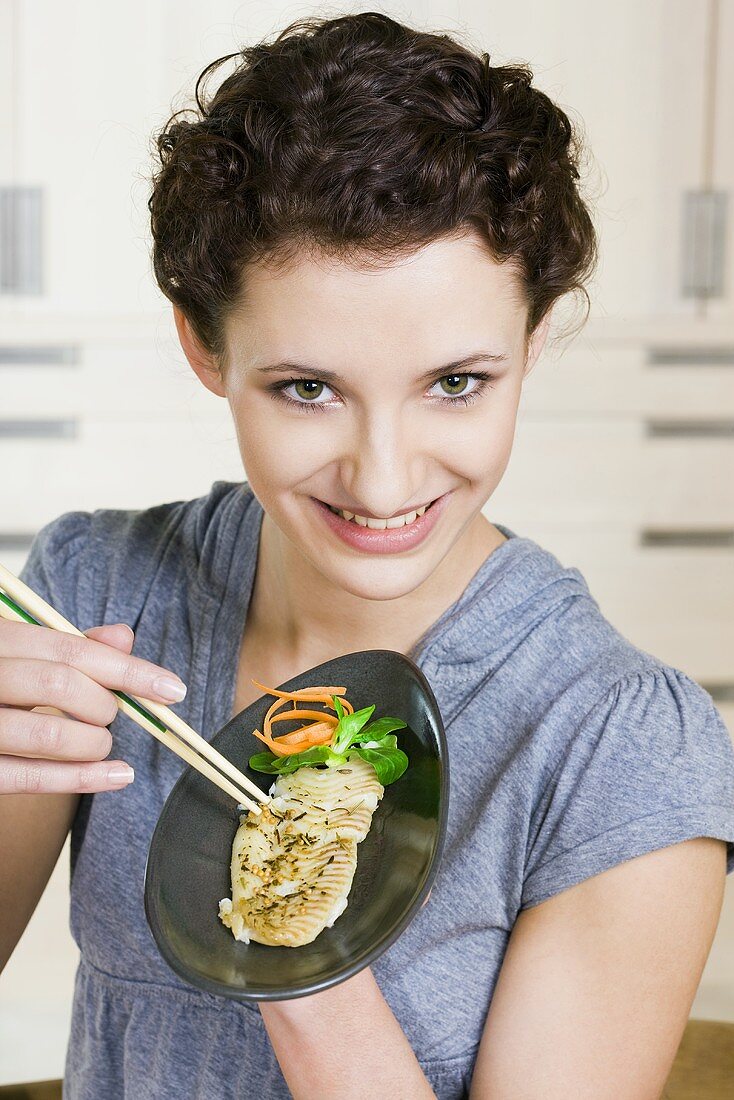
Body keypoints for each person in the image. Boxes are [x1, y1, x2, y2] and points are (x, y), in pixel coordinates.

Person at [1, 11, 733, 1098]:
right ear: (204, 344)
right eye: (307, 388)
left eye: (455, 382)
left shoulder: (617, 745)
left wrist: (294, 924)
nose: (384, 481)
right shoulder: (98, 600)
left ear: (534, 337)